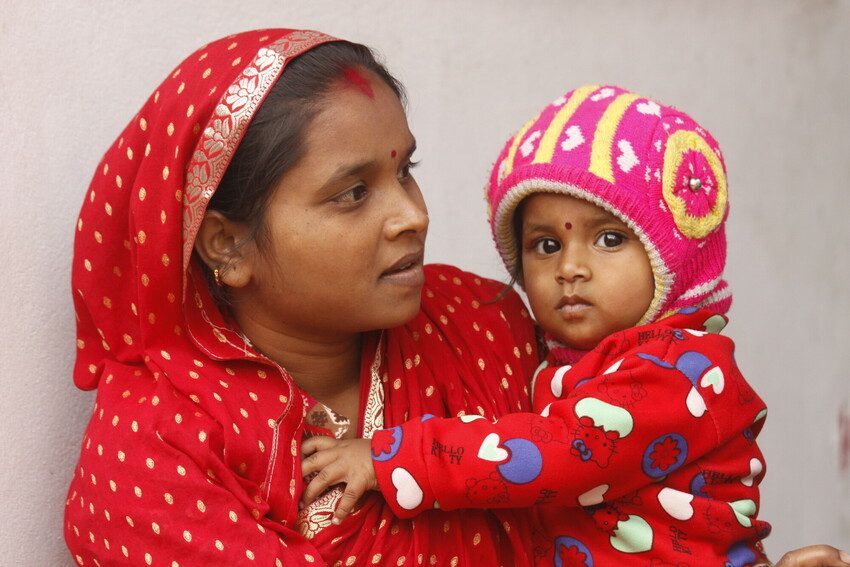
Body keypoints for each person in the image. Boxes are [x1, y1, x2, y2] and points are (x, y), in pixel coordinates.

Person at [64, 28, 847, 567]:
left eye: (405, 170)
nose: (413, 214)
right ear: (227, 246)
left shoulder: (481, 322)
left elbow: (615, 495)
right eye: (352, 193)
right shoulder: (153, 441)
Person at [300, 85, 850, 566]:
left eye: (609, 239)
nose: (570, 268)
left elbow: (564, 451)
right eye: (545, 245)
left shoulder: (682, 368)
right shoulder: (550, 359)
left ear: (671, 256)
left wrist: (393, 457)